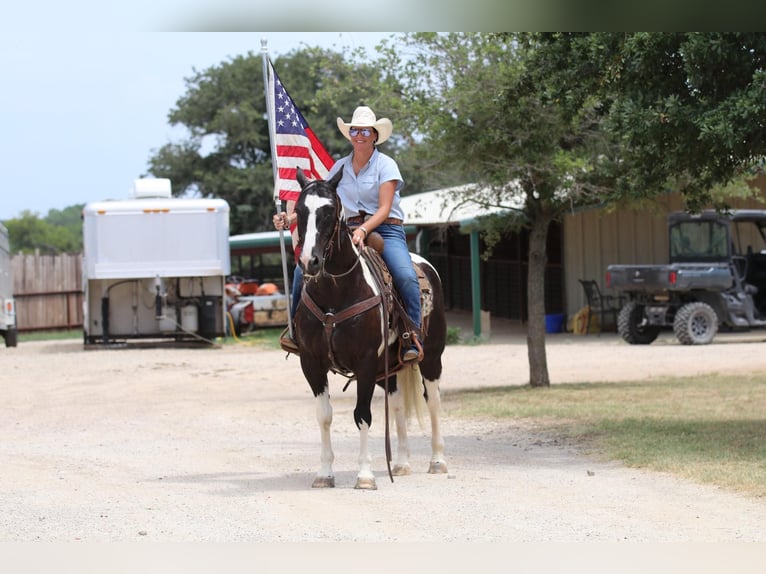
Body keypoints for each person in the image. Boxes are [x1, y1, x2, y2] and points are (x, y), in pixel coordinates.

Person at [274, 105, 422, 362]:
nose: (360, 135)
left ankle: (411, 334)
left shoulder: (386, 165)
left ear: (375, 135)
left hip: (386, 228)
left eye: (365, 130)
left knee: (406, 276)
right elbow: (324, 201)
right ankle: (296, 329)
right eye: (355, 130)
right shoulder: (340, 167)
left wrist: (365, 229)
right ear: (350, 134)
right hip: (348, 228)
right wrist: (290, 219)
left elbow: (385, 208)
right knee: (302, 270)